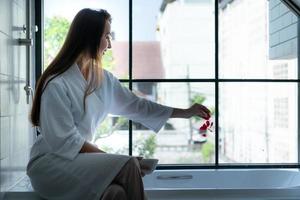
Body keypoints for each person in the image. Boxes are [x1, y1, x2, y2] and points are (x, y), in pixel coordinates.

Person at [26, 8, 211, 200]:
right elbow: (66, 142)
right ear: (90, 37)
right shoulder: (57, 83)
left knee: (116, 194)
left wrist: (185, 112)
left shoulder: (103, 79)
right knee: (129, 164)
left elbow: (138, 105)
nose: (110, 44)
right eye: (107, 36)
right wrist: (115, 162)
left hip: (79, 162)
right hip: (50, 165)